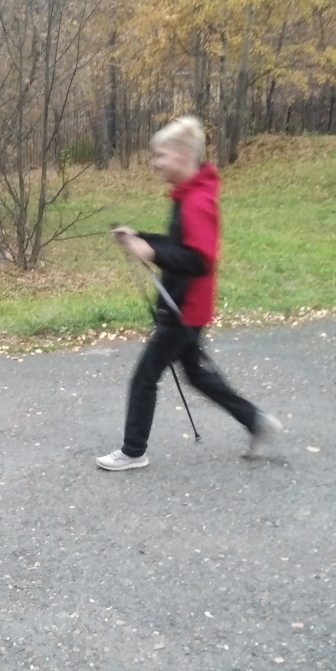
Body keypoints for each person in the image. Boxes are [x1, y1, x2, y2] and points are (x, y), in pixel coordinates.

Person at [96, 116, 281, 472]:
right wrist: (140, 237)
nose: (155, 162)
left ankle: (133, 451)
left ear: (183, 155)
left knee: (145, 377)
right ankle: (257, 422)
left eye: (161, 155)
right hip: (185, 306)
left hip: (184, 309)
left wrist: (150, 251)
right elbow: (178, 244)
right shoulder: (189, 196)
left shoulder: (197, 202)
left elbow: (199, 260)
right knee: (197, 375)